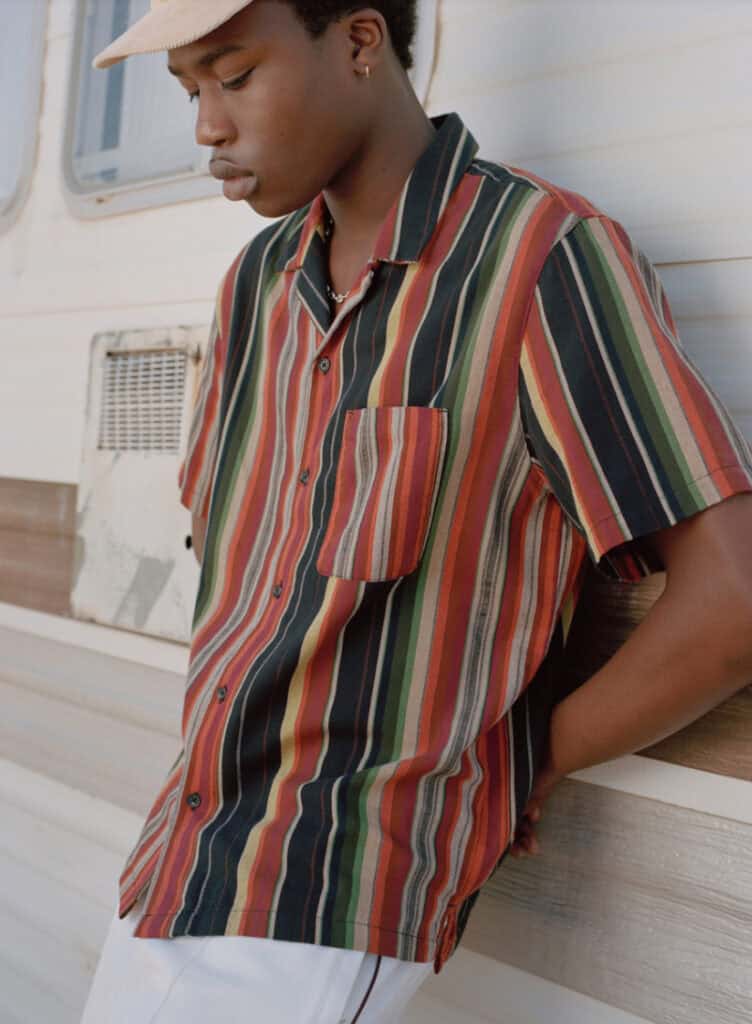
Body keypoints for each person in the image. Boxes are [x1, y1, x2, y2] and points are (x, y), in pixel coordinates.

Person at [82, 1, 752, 1021]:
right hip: (180, 855)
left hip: (325, 895)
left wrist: (520, 758)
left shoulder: (537, 258)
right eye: (187, 91)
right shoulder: (253, 289)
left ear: (356, 43)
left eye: (233, 74)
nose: (206, 128)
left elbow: (731, 603)